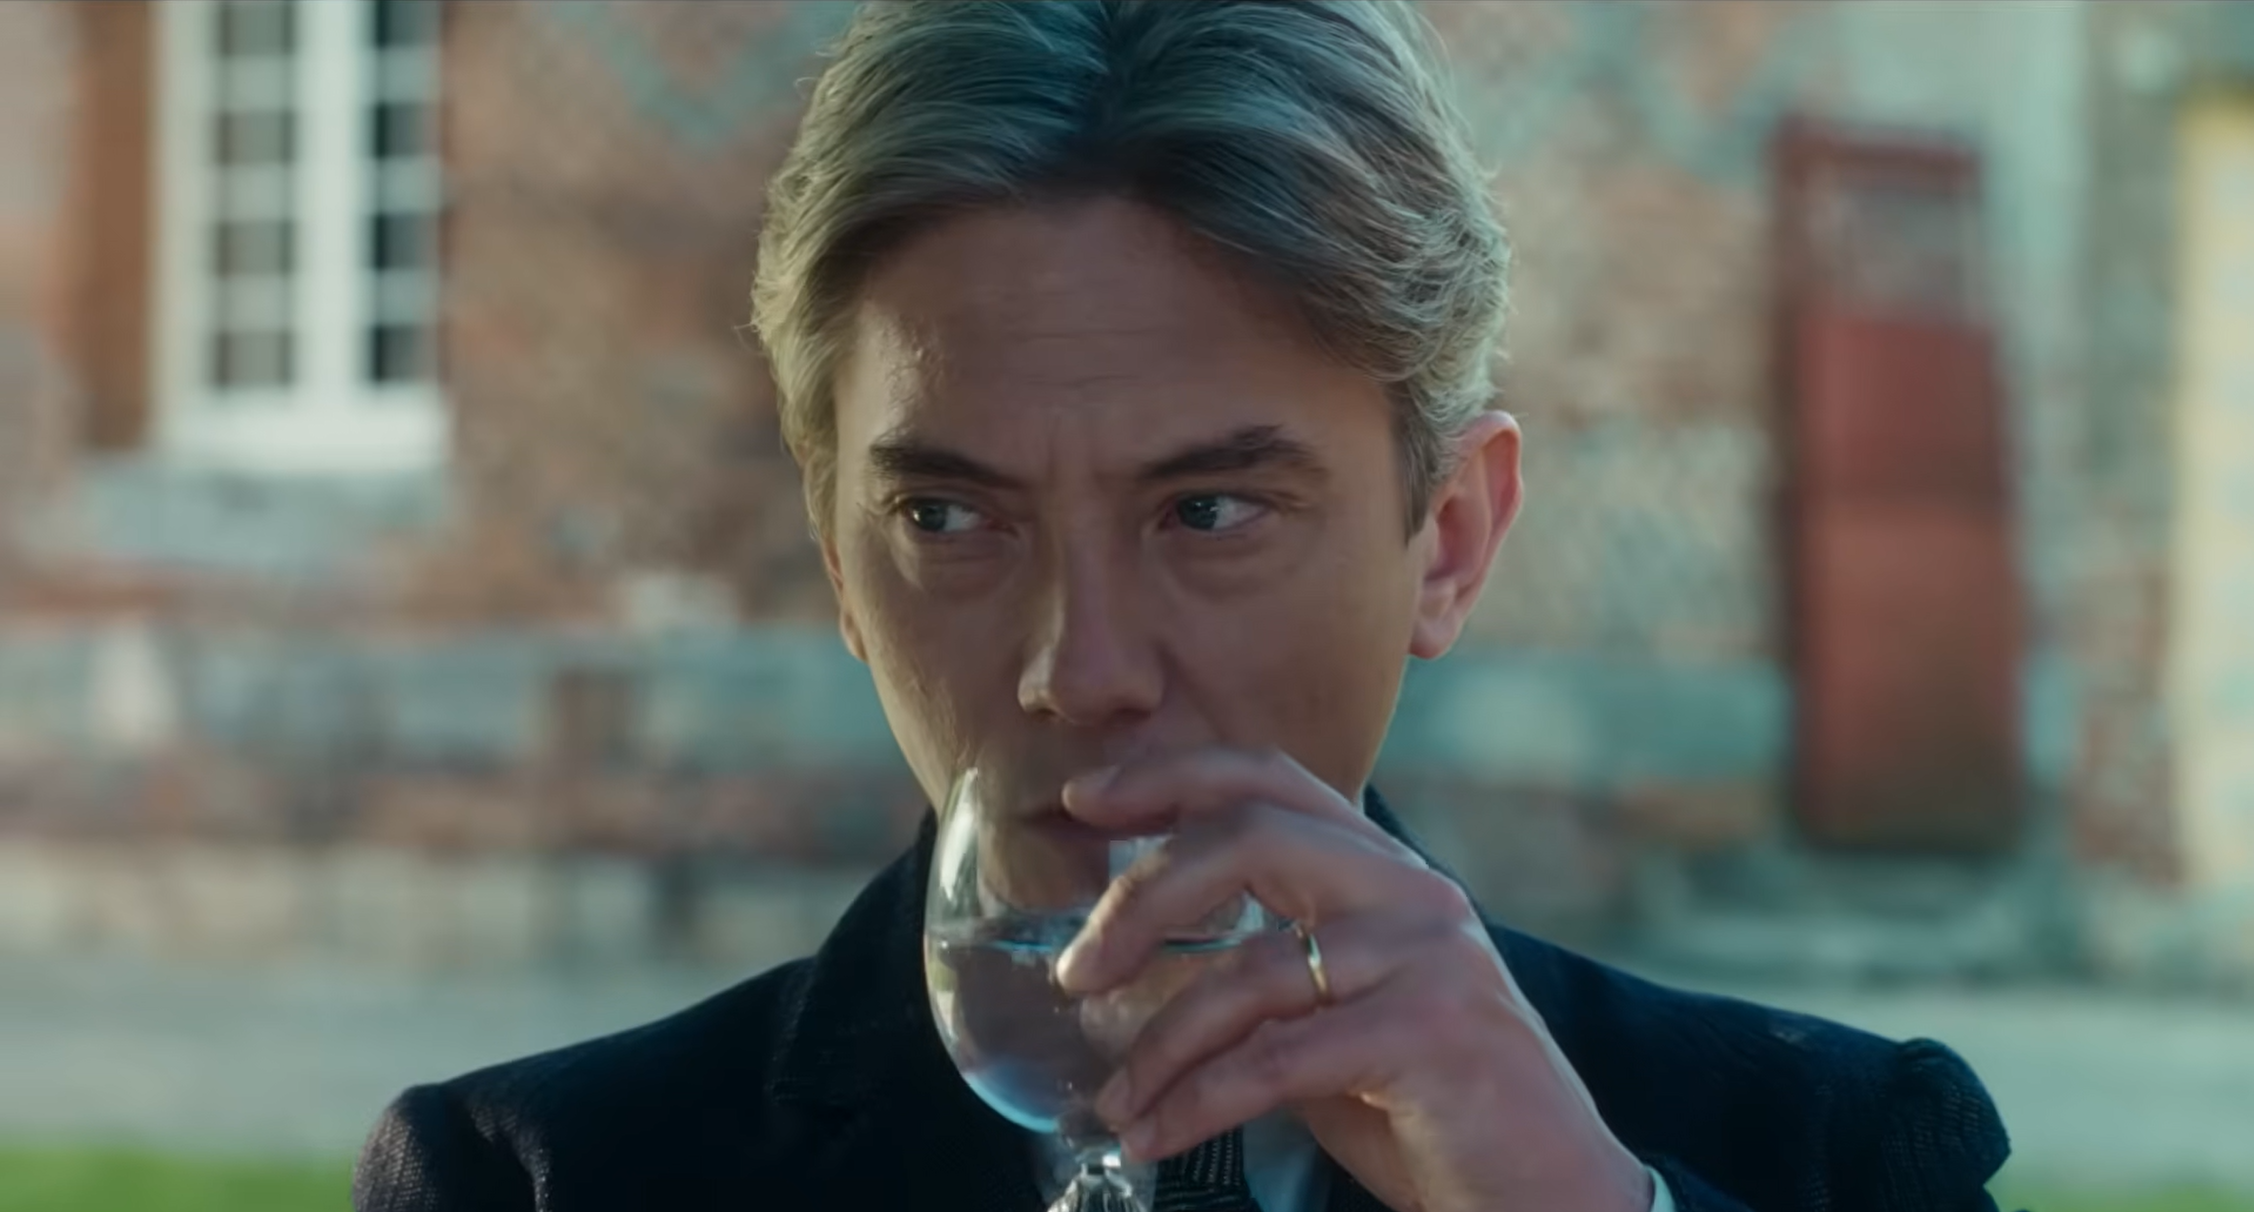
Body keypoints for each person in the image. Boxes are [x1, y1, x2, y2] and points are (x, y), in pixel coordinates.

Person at [352, 2, 2014, 1209]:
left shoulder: (1832, 1154)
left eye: (1206, 512)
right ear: (838, 562)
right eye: (947, 516)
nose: (1081, 670)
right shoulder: (537, 1178)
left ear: (1446, 538)